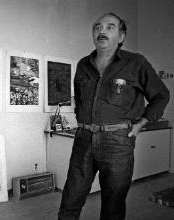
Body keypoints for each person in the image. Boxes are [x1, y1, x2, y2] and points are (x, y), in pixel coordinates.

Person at [58, 12, 170, 220]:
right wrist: (82, 123)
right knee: (70, 198)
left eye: (110, 27)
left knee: (113, 204)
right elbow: (79, 100)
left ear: (121, 37)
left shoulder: (136, 63)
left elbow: (161, 95)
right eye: (97, 27)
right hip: (83, 139)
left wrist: (141, 124)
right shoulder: (83, 65)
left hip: (117, 142)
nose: (102, 30)